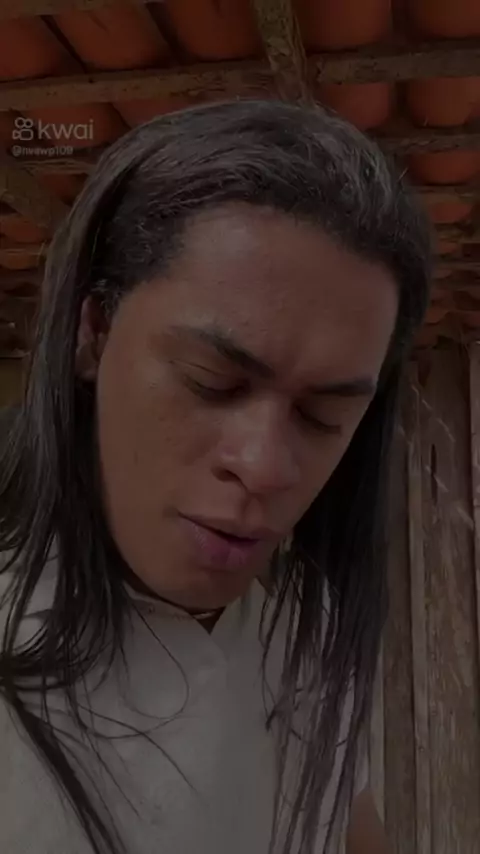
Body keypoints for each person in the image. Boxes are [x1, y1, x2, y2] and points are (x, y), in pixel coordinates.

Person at [0, 99, 431, 854]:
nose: (264, 466)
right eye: (211, 381)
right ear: (94, 332)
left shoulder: (301, 621)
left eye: (324, 416)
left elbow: (345, 823)